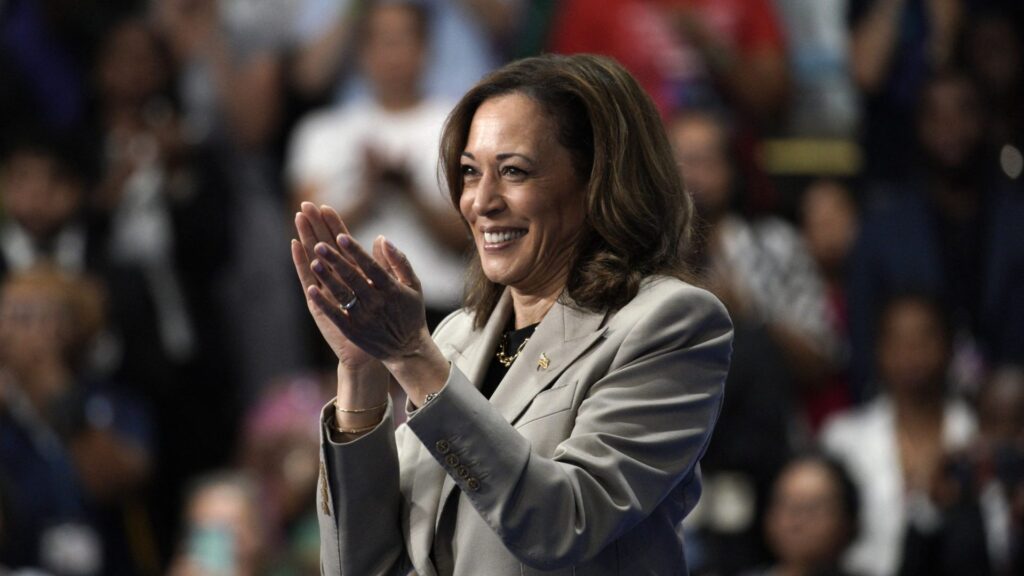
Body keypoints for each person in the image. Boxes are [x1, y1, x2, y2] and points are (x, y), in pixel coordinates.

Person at [290, 54, 733, 574]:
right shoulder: (458, 336)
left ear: (598, 181)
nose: (481, 201)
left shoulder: (669, 323)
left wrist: (411, 356)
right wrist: (362, 373)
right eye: (471, 173)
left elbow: (562, 523)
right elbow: (358, 567)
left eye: (514, 172)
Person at [821, 293, 978, 576]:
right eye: (897, 340)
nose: (911, 351)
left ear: (949, 347)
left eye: (924, 338)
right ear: (878, 349)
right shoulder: (843, 438)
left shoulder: (976, 435)